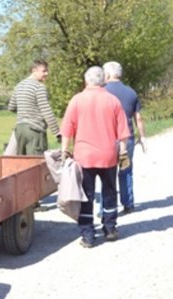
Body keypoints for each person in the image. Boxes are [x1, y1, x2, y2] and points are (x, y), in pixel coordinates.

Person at [60, 66, 130, 248]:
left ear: (86, 81)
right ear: (103, 81)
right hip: (108, 155)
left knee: (86, 195)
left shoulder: (77, 100)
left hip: (84, 156)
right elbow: (123, 131)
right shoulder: (112, 100)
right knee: (109, 192)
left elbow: (67, 129)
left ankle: (88, 235)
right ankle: (110, 228)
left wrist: (64, 150)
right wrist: (123, 151)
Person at [103, 61, 147, 214]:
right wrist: (142, 137)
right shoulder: (131, 92)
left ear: (107, 74)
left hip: (107, 139)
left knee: (107, 174)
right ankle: (128, 203)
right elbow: (138, 118)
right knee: (126, 170)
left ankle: (107, 207)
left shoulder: (102, 92)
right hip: (126, 138)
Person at [8, 59, 60, 155]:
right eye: (44, 71)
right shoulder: (39, 87)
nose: (46, 73)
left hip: (19, 130)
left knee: (21, 164)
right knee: (36, 164)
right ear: (34, 70)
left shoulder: (19, 85)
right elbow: (46, 111)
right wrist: (57, 133)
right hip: (35, 131)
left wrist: (25, 112)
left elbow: (11, 107)